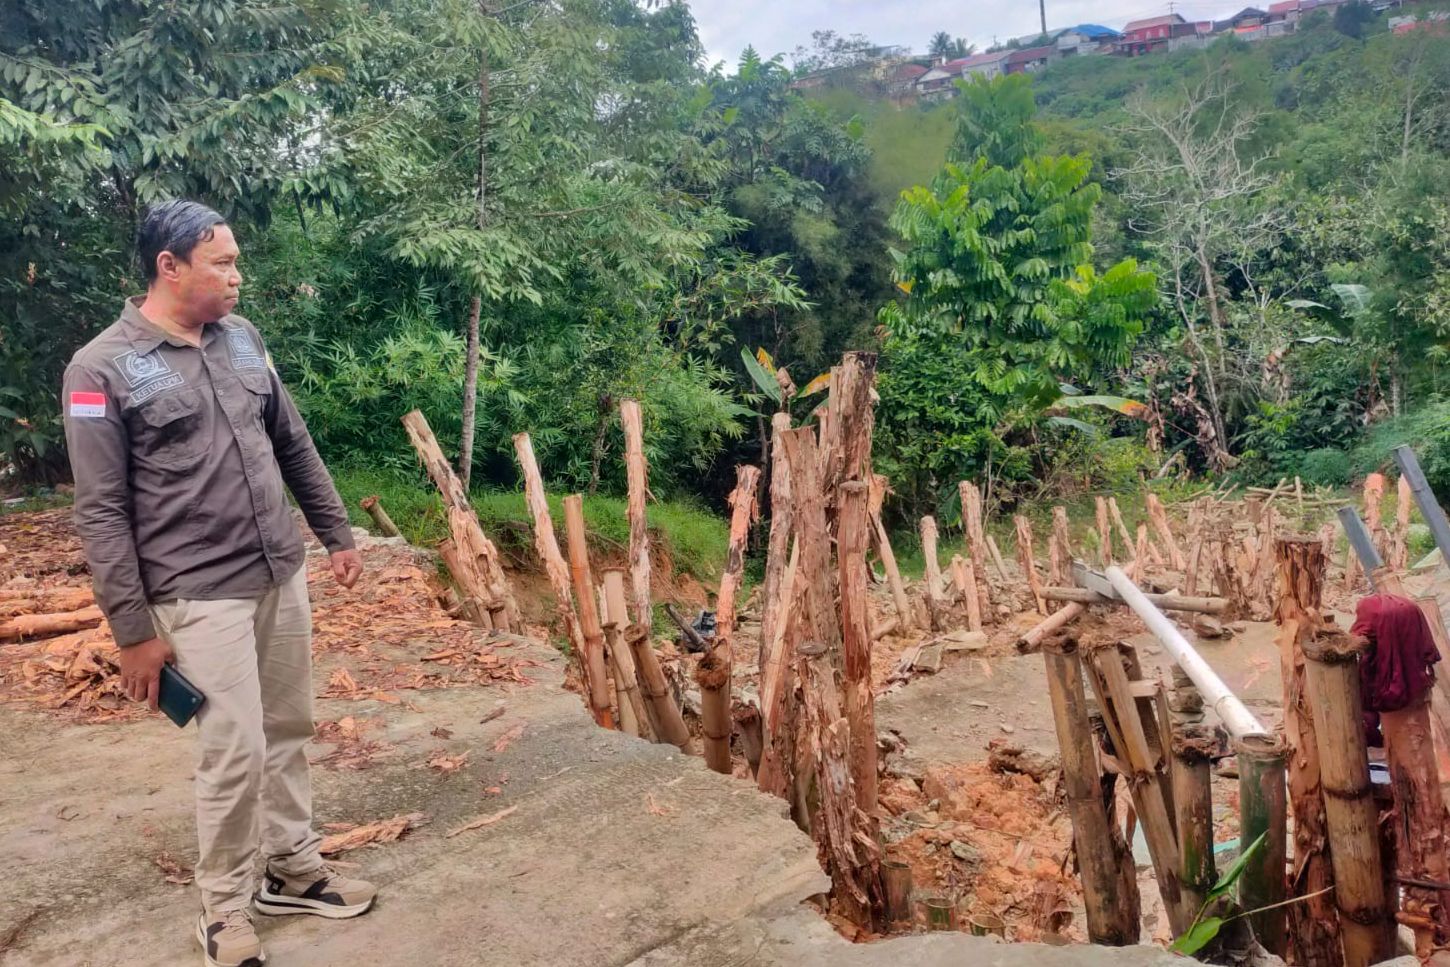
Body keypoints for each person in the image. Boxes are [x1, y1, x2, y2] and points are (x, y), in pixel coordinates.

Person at [62, 200, 377, 967]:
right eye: (223, 263)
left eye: (235, 260)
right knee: (233, 749)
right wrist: (133, 631)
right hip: (198, 591)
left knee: (289, 727)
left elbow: (291, 441)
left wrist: (333, 532)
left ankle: (293, 867)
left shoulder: (243, 341)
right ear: (169, 267)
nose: (238, 277)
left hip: (277, 568)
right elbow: (101, 511)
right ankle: (224, 909)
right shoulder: (99, 367)